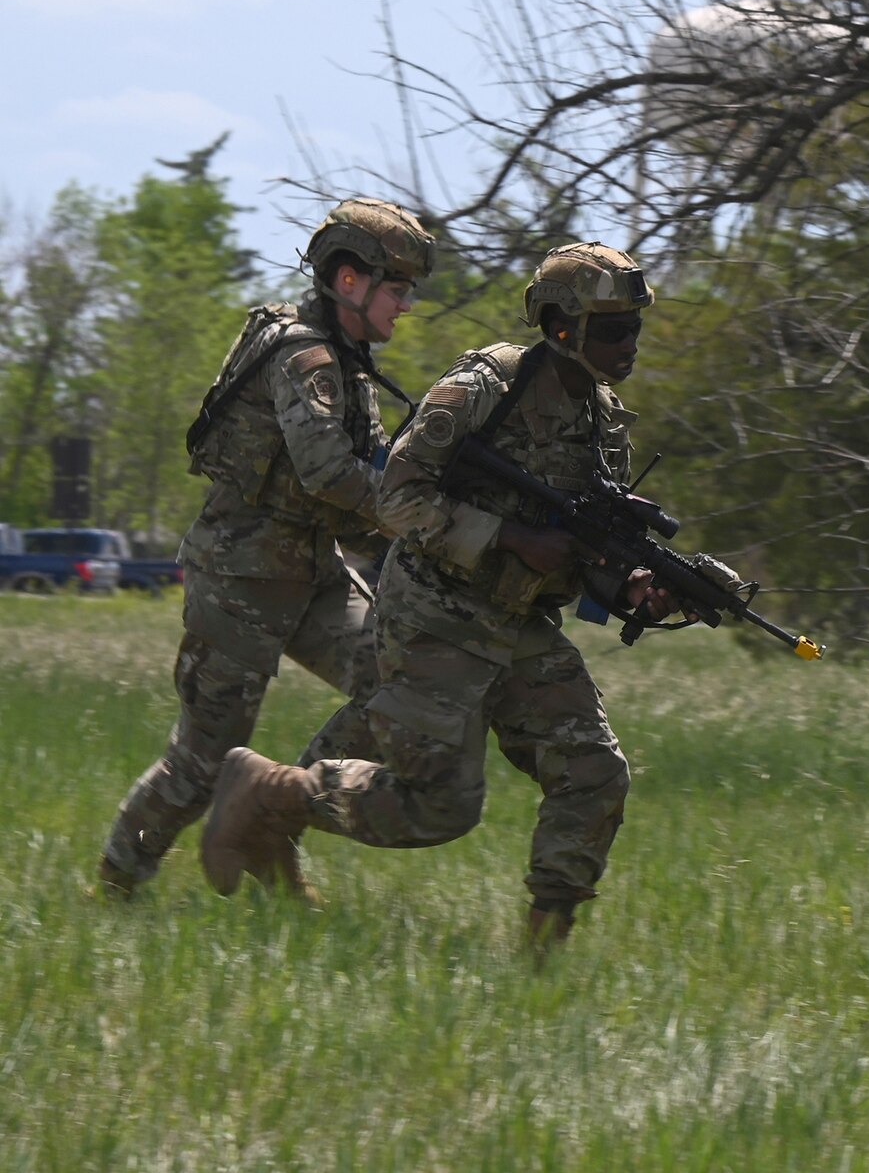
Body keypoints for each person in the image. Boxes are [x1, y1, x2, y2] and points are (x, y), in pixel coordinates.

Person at [201, 242, 679, 948]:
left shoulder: (605, 426)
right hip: (435, 613)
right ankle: (276, 793)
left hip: (519, 623)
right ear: (560, 328)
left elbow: (579, 561)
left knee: (595, 772)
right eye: (611, 328)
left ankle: (542, 958)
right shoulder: (489, 385)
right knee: (441, 808)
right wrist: (506, 536)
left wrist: (630, 586)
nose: (628, 343)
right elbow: (397, 496)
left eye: (634, 326)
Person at [97, 197, 434, 898]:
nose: (405, 305)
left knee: (394, 679)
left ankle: (272, 813)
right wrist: (423, 516)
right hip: (239, 580)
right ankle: (117, 879)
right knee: (200, 761)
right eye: (397, 289)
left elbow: (360, 479)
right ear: (350, 282)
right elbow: (329, 472)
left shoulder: (348, 361)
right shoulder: (304, 356)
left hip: (313, 574)